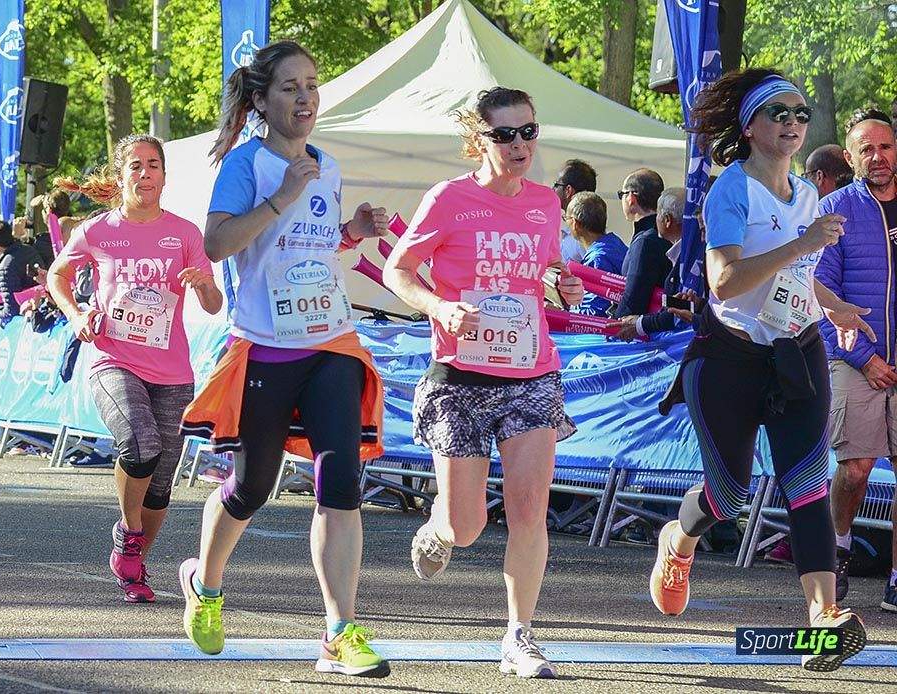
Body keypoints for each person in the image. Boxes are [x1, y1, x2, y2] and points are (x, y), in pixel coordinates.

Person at [177, 40, 390, 678]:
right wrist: (280, 198)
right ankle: (205, 583)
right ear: (262, 102)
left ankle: (340, 631)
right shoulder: (249, 166)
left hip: (331, 341)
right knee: (252, 485)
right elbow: (216, 244)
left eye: (313, 85)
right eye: (291, 88)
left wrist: (354, 230)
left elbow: (317, 249)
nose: (306, 98)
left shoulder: (327, 165)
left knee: (341, 482)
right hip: (266, 342)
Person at [654, 68, 874, 672]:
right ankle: (680, 539)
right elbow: (726, 280)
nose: (795, 123)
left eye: (802, 114)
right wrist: (802, 245)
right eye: (780, 114)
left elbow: (794, 277)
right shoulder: (731, 190)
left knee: (809, 483)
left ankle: (823, 619)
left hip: (797, 350)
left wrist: (837, 307)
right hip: (730, 356)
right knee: (729, 495)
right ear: (750, 127)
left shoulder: (805, 192)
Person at [384, 87, 584, 680]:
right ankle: (440, 525)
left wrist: (558, 286)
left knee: (530, 511)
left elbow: (547, 268)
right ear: (479, 139)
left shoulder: (546, 203)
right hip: (460, 378)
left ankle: (519, 635)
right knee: (467, 526)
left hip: (530, 373)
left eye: (529, 131)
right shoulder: (449, 199)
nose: (520, 145)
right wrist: (438, 308)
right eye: (505, 134)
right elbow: (398, 268)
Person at [48, 133, 223, 603]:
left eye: (152, 165)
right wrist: (77, 314)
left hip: (171, 369)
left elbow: (212, 303)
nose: (144, 174)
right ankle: (128, 532)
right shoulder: (98, 230)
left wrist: (202, 283)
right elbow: (56, 274)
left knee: (162, 476)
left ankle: (136, 560)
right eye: (134, 166)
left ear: (164, 176)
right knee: (140, 443)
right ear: (121, 174)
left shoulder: (185, 234)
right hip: (113, 358)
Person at [815, 107, 897, 612]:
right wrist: (866, 358)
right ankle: (837, 551)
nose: (878, 157)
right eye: (866, 149)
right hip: (854, 361)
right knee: (856, 468)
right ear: (850, 157)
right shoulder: (834, 210)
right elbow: (816, 294)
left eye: (885, 146)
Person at [609, 187, 698, 338]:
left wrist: (639, 324)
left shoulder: (648, 243)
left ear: (667, 220)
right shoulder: (684, 254)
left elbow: (636, 297)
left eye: (658, 214)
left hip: (675, 344)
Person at [614, 168, 671, 319]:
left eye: (622, 194)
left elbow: (634, 299)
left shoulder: (645, 241)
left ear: (631, 198)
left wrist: (611, 328)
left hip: (647, 333)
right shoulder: (665, 232)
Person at [567, 191, 627, 317]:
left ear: (575, 223)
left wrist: (564, 312)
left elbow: (596, 312)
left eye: (566, 218)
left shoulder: (597, 260)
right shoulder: (615, 243)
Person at [0, 220, 44, 321]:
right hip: (44, 305)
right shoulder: (29, 250)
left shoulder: (4, 268)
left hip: (29, 317)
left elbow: (11, 310)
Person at [552, 159, 599, 263]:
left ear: (568, 190)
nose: (552, 189)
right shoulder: (572, 230)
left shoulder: (584, 234)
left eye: (556, 185)